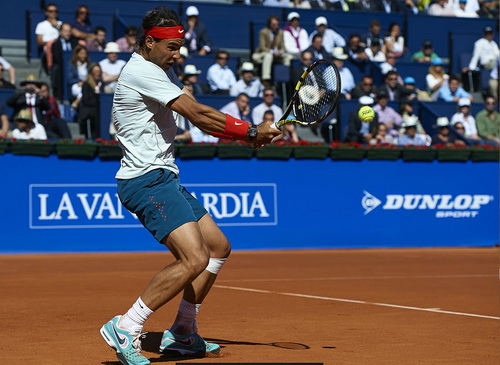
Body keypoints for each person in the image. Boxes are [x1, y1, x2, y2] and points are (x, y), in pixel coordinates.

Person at [99, 7, 279, 365]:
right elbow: (197, 115)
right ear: (149, 43)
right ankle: (126, 326)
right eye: (172, 47)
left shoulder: (157, 69)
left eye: (181, 47)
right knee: (194, 258)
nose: (178, 54)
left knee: (217, 247)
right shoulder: (142, 71)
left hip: (164, 175)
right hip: (146, 179)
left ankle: (183, 330)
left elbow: (196, 109)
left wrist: (247, 132)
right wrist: (250, 132)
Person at [251, 15, 293, 85]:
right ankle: (266, 79)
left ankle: (285, 77)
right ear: (269, 24)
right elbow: (262, 47)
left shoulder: (280, 32)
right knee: (269, 56)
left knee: (289, 57)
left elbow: (283, 47)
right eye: (274, 24)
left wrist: (280, 51)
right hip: (263, 54)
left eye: (277, 24)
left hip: (277, 55)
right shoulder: (263, 32)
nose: (276, 26)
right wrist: (273, 52)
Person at [50, 22, 78, 101]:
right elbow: (57, 58)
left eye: (69, 31)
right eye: (65, 31)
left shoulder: (74, 43)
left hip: (73, 68)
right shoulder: (55, 44)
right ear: (60, 32)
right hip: (61, 69)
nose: (68, 33)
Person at [77, 63, 103, 139]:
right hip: (90, 112)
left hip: (100, 112)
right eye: (95, 71)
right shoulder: (86, 84)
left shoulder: (102, 84)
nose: (97, 73)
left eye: (99, 71)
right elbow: (85, 99)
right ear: (91, 72)